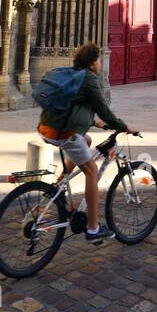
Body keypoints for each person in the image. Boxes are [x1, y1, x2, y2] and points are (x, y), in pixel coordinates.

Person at [37, 43, 138, 243]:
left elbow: (72, 105)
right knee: (91, 171)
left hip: (46, 127)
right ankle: (93, 228)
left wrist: (94, 122)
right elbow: (105, 110)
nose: (101, 63)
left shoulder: (73, 74)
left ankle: (57, 186)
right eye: (99, 59)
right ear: (93, 62)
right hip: (65, 132)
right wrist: (125, 127)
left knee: (88, 139)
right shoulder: (89, 79)